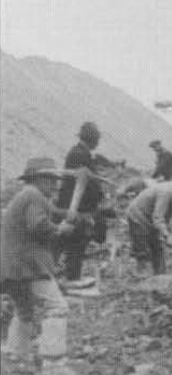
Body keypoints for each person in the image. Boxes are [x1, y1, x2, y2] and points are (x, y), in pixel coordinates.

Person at [1, 157, 75, 369]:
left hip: (10, 267)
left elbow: (42, 215)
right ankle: (53, 359)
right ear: (36, 179)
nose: (55, 184)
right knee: (58, 306)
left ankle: (15, 356)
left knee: (24, 311)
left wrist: (65, 214)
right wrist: (59, 229)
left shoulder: (26, 195)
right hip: (28, 266)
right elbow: (38, 225)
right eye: (50, 179)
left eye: (55, 179)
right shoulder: (35, 196)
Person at [56, 122, 106, 285]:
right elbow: (83, 183)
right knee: (75, 241)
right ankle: (71, 278)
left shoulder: (81, 152)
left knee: (72, 241)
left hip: (76, 206)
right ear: (92, 139)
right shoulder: (79, 154)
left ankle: (69, 276)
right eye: (97, 139)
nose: (98, 142)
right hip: (75, 207)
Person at [125, 172, 172, 275]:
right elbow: (158, 217)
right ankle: (141, 274)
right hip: (138, 214)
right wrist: (167, 235)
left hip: (151, 216)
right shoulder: (167, 192)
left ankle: (161, 275)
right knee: (142, 246)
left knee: (158, 248)